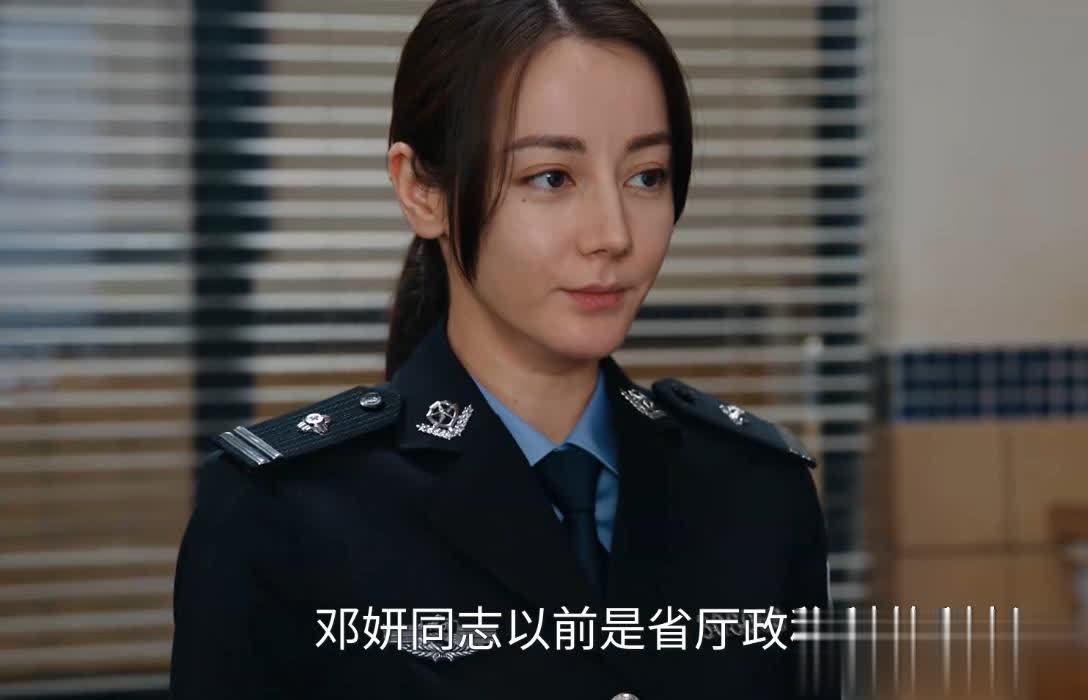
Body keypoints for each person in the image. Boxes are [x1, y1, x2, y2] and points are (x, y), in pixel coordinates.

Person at [170, 1, 839, 698]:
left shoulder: (757, 493)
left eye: (646, 176)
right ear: (421, 190)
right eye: (551, 177)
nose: (613, 234)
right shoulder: (285, 512)